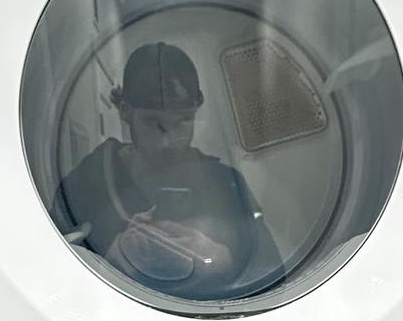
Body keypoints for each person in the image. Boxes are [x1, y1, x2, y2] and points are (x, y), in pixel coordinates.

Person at [53, 43, 282, 300]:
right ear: (125, 111)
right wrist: (108, 258)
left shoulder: (226, 182)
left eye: (183, 121)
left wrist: (221, 260)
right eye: (153, 122)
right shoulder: (94, 176)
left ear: (196, 112)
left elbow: (273, 276)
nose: (168, 141)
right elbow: (51, 261)